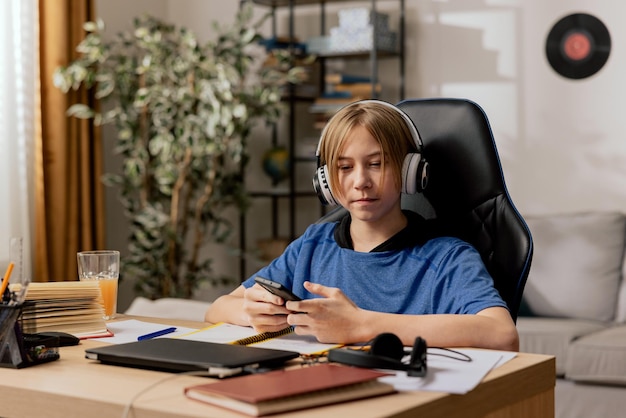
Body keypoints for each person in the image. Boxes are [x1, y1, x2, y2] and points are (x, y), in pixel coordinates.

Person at [205, 99, 519, 351]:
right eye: (344, 167)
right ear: (325, 180)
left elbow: (502, 334)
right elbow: (217, 308)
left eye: (376, 164)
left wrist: (362, 325)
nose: (360, 182)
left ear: (410, 171)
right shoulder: (313, 245)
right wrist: (249, 312)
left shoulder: (446, 257)